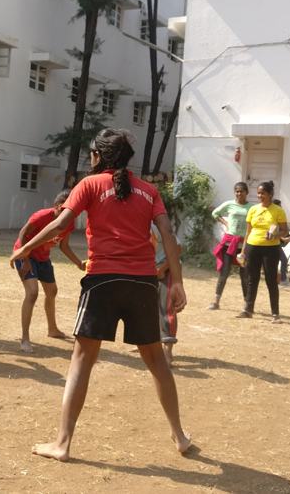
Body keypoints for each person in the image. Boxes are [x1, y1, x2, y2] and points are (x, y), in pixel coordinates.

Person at [10, 128, 190, 462]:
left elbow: (60, 223)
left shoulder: (89, 184)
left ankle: (62, 444)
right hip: (143, 284)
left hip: (102, 281)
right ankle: (179, 436)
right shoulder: (149, 190)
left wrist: (25, 248)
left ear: (96, 156)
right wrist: (176, 281)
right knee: (156, 363)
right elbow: (166, 232)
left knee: (81, 361)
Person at [12, 190, 85, 353]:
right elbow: (22, 233)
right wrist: (25, 259)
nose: (65, 213)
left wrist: (78, 263)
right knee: (32, 293)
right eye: (62, 209)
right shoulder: (41, 216)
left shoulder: (69, 222)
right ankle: (25, 339)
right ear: (56, 205)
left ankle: (52, 330)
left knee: (52, 291)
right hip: (24, 255)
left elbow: (64, 246)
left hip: (43, 258)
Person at [236, 181, 289, 323]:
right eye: (258, 193)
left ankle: (275, 314)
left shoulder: (278, 210)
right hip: (252, 247)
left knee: (271, 280)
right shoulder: (253, 209)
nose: (260, 196)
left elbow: (284, 230)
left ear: (270, 194)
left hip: (270, 249)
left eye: (263, 193)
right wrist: (243, 250)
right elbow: (248, 232)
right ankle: (248, 309)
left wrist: (275, 236)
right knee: (252, 279)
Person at [207, 182, 252, 311]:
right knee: (224, 273)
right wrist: (226, 223)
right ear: (234, 192)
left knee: (245, 275)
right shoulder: (229, 204)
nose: (239, 193)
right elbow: (215, 213)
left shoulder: (252, 207)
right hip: (229, 243)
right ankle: (216, 302)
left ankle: (247, 305)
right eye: (237, 191)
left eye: (242, 191)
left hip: (244, 245)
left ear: (247, 192)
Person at [147, 222, 181, 365]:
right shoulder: (130, 223)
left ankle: (167, 350)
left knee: (166, 306)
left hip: (165, 268)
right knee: (147, 308)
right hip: (145, 269)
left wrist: (162, 269)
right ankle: (150, 343)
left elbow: (178, 248)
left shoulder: (158, 225)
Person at [272, 199, 290, 287]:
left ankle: (280, 279)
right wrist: (284, 239)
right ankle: (282, 280)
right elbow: (274, 231)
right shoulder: (273, 216)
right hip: (274, 243)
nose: (281, 208)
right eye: (280, 206)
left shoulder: (278, 216)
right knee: (283, 259)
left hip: (276, 242)